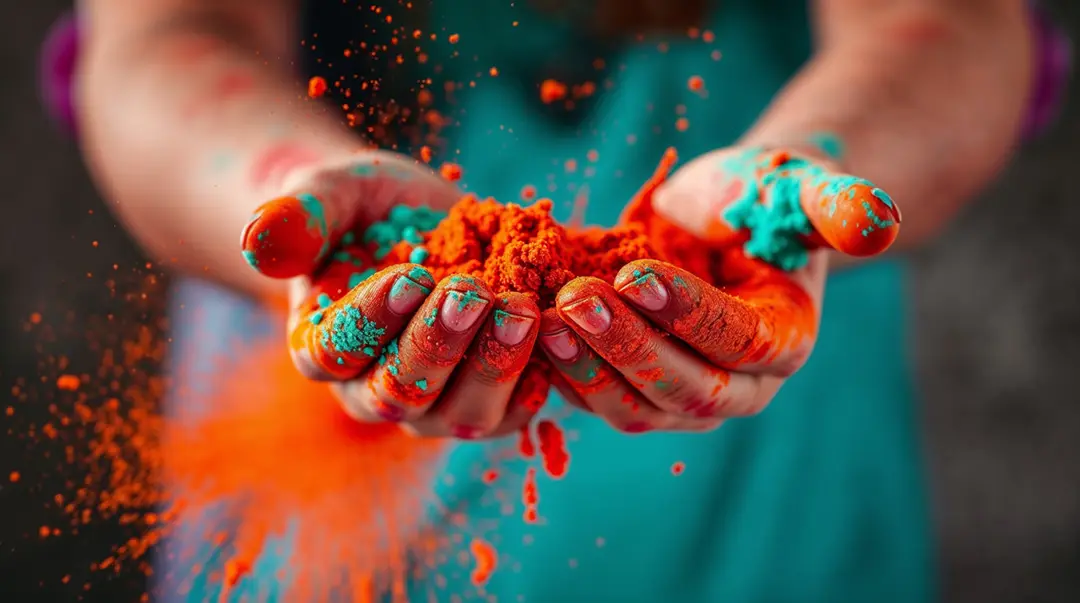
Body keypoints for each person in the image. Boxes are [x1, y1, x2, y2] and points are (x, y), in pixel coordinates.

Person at [54, 0, 1063, 600]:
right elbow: (161, 35)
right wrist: (286, 196)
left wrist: (814, 168)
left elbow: (956, 23)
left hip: (753, 359)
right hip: (344, 350)